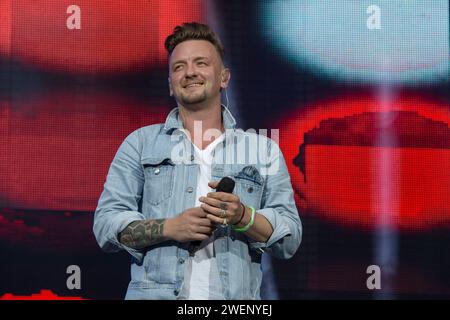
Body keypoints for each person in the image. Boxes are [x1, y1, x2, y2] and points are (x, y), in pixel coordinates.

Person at [93, 22, 302, 300]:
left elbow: (289, 239)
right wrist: (170, 227)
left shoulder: (262, 150)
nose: (190, 72)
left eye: (200, 63)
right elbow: (106, 225)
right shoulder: (140, 143)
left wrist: (243, 216)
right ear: (170, 84)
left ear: (224, 77)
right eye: (179, 67)